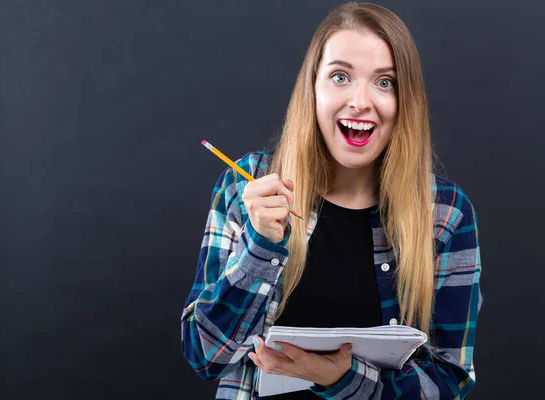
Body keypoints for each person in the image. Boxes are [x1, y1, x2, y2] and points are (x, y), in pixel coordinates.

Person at [181, 2, 482, 399]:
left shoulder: (445, 213)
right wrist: (260, 247)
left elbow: (449, 380)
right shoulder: (247, 188)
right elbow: (205, 356)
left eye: (385, 82)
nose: (359, 101)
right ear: (313, 89)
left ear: (405, 100)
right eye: (340, 76)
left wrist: (342, 378)